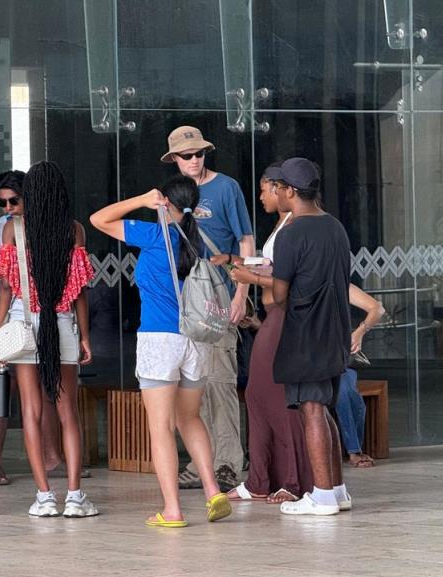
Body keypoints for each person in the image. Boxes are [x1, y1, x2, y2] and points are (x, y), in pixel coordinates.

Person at [91, 175, 232, 528]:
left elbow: (99, 219)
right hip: (195, 341)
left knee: (161, 428)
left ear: (165, 202)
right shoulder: (198, 242)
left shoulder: (154, 235)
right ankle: (213, 490)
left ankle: (173, 510)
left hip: (159, 340)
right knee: (190, 419)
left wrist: (141, 198)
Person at [0, 161, 98, 517]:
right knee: (68, 414)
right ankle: (75, 496)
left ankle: (44, 497)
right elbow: (80, 291)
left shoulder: (13, 231)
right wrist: (84, 336)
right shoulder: (74, 230)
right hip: (63, 323)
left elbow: (6, 286)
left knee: (32, 413)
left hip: (23, 325)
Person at [215, 163, 314, 505]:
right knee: (257, 395)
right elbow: (272, 267)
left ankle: (292, 479)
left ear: (278, 188)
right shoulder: (282, 225)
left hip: (286, 318)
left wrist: (250, 279)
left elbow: (292, 278)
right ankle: (259, 478)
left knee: (278, 398)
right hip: (273, 316)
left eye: (262, 190)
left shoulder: (298, 226)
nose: (260, 197)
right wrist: (236, 261)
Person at [162, 126, 253, 493]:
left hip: (219, 300)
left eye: (199, 153)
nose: (195, 160)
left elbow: (245, 240)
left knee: (219, 383)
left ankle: (228, 463)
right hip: (185, 304)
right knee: (190, 387)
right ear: (174, 160)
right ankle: (202, 462)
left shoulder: (226, 188)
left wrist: (240, 293)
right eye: (187, 155)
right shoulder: (169, 196)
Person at [0, 170, 73, 485]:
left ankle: (53, 458)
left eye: (13, 200)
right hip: (10, 317)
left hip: (35, 314)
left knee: (47, 391)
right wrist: (12, 259)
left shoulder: (54, 228)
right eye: (2, 202)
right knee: (3, 388)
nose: (8, 208)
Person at [270, 158, 352, 516]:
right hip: (335, 330)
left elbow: (278, 295)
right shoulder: (336, 228)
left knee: (312, 409)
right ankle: (336, 491)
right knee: (325, 409)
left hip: (306, 333)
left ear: (289, 191)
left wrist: (256, 279)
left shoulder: (291, 233)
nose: (276, 193)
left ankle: (321, 495)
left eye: (278, 188)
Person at [337, 287, 386, 468]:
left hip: (338, 360)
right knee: (341, 391)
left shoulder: (340, 283)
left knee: (348, 393)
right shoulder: (299, 282)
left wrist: (359, 332)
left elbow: (377, 309)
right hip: (308, 360)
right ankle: (354, 450)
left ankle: (354, 450)